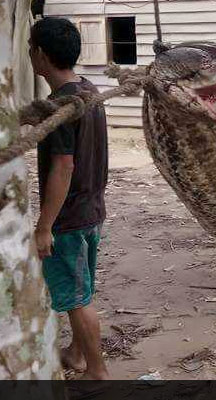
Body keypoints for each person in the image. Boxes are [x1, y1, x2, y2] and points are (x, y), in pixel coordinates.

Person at [29, 17, 109, 380]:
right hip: (91, 209)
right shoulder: (89, 91)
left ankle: (97, 371)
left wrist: (45, 226)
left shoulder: (63, 106)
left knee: (77, 299)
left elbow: (63, 166)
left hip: (70, 217)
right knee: (83, 286)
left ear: (40, 55)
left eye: (31, 48)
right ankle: (77, 354)